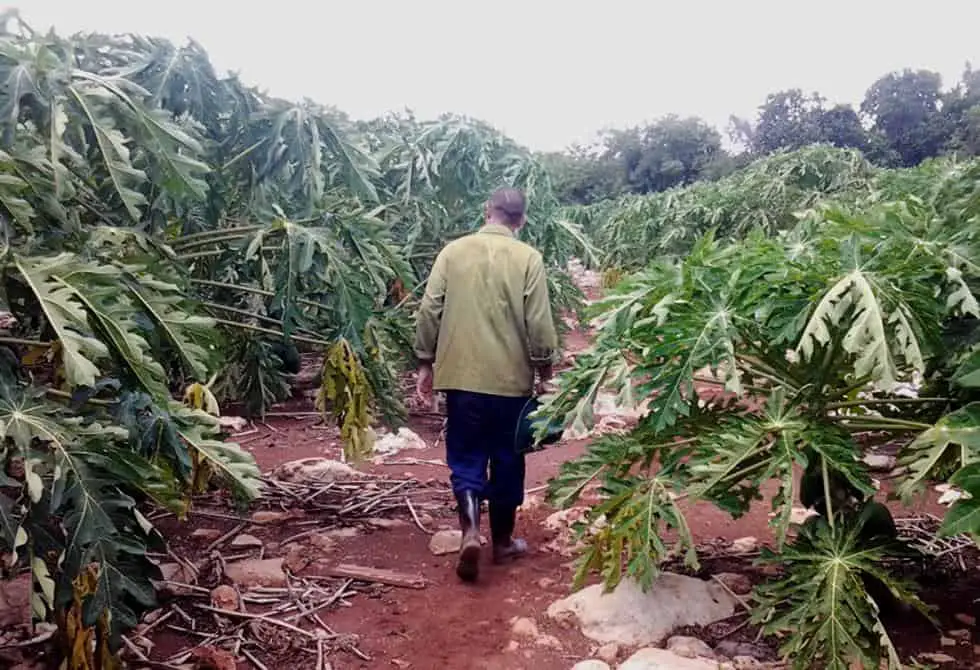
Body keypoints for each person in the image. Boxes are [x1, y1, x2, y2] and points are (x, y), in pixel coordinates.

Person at [414, 187, 558, 583]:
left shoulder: (453, 252)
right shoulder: (528, 257)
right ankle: (504, 541)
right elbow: (540, 324)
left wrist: (425, 361)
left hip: (461, 379)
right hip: (510, 382)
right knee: (508, 458)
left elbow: (430, 309)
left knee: (465, 455)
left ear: (487, 212)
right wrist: (545, 371)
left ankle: (470, 530)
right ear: (521, 220)